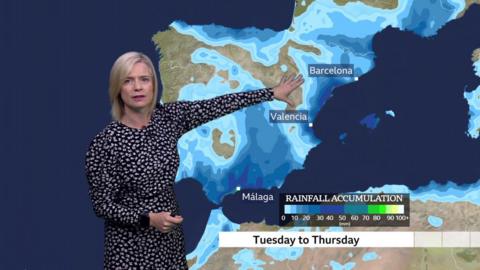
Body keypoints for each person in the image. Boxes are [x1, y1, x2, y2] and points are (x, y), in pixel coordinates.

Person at [85, 51, 304, 269]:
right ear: (117, 88)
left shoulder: (168, 119)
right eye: (128, 81)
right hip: (130, 252)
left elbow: (217, 105)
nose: (138, 87)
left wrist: (270, 93)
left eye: (144, 79)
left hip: (169, 246)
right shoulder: (107, 143)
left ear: (153, 84)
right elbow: (102, 205)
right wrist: (148, 219)